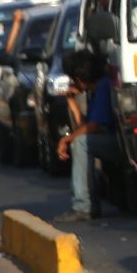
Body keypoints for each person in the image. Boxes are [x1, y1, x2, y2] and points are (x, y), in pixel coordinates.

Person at [56, 50, 115, 224]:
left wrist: (66, 139)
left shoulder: (103, 87)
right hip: (107, 138)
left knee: (80, 143)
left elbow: (93, 127)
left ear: (80, 78)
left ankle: (84, 206)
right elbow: (85, 127)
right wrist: (71, 101)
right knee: (81, 141)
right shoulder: (96, 90)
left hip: (115, 140)